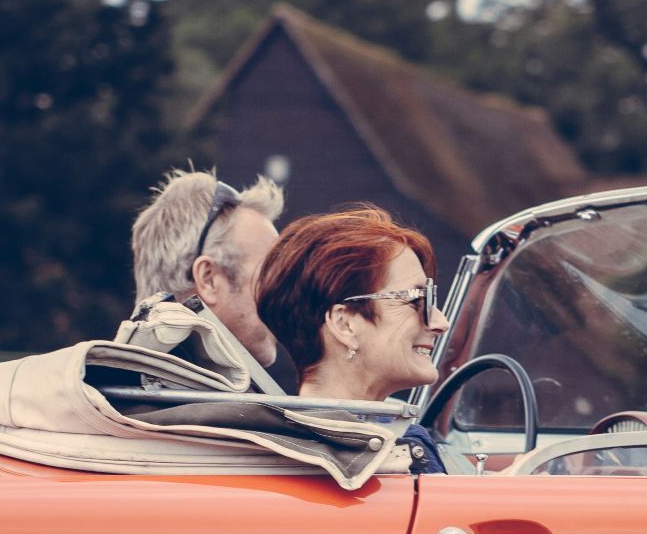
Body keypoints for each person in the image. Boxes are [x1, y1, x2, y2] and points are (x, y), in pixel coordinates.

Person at [256, 205, 452, 472]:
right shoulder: (398, 453)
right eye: (417, 300)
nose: (440, 322)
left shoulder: (268, 453)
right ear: (344, 324)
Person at [130, 169, 298, 392]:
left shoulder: (105, 394)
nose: (288, 295)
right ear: (208, 279)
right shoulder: (221, 420)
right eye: (272, 274)